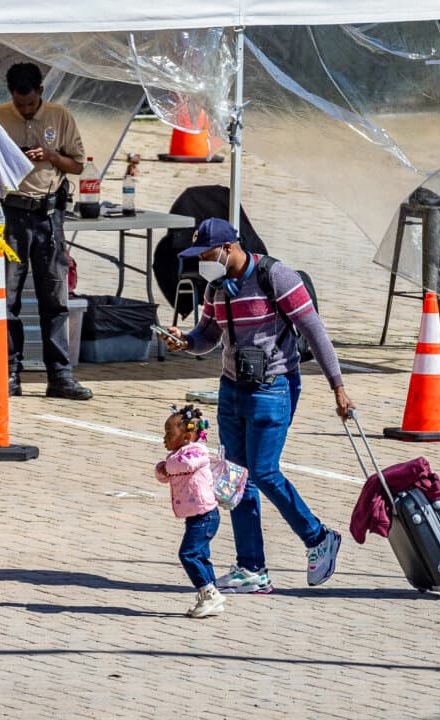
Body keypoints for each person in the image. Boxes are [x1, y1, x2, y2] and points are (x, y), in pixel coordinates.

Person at [163, 218, 355, 594]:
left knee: (264, 472)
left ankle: (319, 537)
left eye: (207, 254)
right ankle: (252, 569)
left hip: (273, 387)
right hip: (231, 387)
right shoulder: (216, 288)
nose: (204, 262)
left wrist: (338, 387)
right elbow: (207, 336)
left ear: (228, 248)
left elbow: (315, 331)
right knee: (236, 478)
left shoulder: (276, 277)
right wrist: (185, 342)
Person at [0, 62, 92, 401]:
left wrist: (50, 156)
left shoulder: (59, 116)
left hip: (49, 215)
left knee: (55, 297)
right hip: (11, 213)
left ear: (40, 93)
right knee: (6, 298)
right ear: (11, 95)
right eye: (20, 104)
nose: (25, 110)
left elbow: (77, 164)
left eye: (31, 103)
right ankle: (9, 373)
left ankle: (60, 376)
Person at [155, 404, 224, 618]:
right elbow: (165, 475)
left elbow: (185, 465)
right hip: (196, 516)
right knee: (201, 555)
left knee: (188, 554)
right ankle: (212, 595)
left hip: (205, 515)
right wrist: (161, 469)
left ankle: (208, 591)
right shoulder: (177, 457)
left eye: (169, 434)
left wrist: (167, 465)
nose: (164, 438)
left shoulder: (196, 452)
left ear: (186, 437)